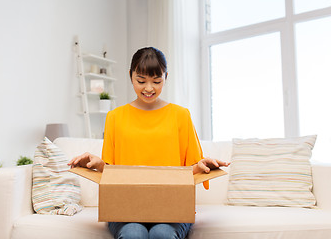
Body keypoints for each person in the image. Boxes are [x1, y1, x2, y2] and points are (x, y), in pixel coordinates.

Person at [68, 47, 230, 239]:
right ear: (130, 76)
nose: (149, 88)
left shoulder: (181, 115)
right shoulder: (115, 117)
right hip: (125, 207)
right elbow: (113, 172)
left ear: (166, 77)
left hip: (172, 206)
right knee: (133, 234)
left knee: (162, 233)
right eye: (141, 81)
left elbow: (190, 171)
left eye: (157, 81)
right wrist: (96, 164)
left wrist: (202, 166)